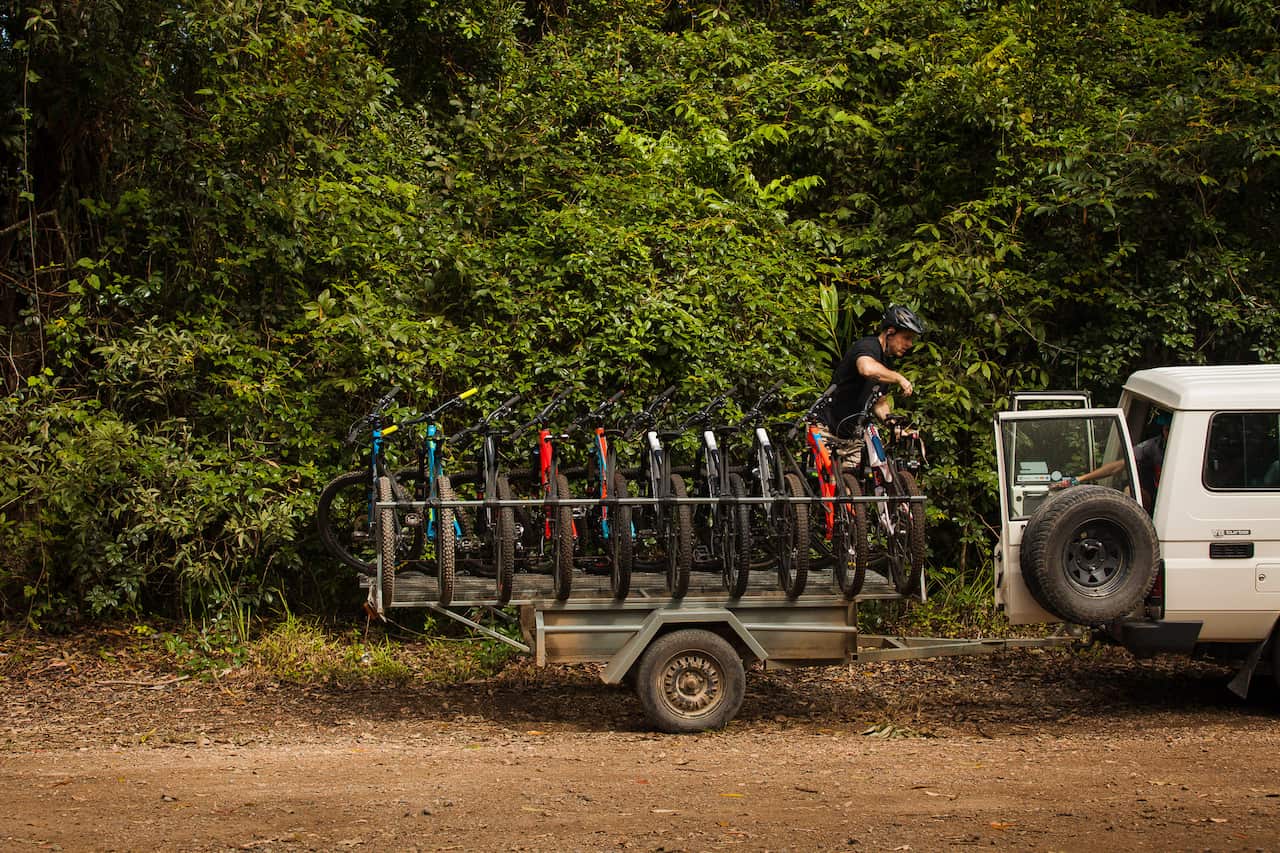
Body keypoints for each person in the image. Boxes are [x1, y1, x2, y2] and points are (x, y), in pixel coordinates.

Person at [815, 304, 924, 472]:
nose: (909, 344)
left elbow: (879, 404)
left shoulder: (887, 363)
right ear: (890, 332)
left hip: (851, 436)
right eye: (906, 338)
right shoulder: (868, 346)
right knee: (829, 481)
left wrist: (894, 427)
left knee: (855, 484)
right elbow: (866, 368)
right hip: (826, 428)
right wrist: (898, 378)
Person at [1053, 411, 1170, 512]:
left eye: (1170, 430)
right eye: (1166, 429)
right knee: (1129, 491)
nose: (1168, 434)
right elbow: (1118, 466)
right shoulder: (1153, 446)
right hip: (1158, 499)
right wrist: (1079, 479)